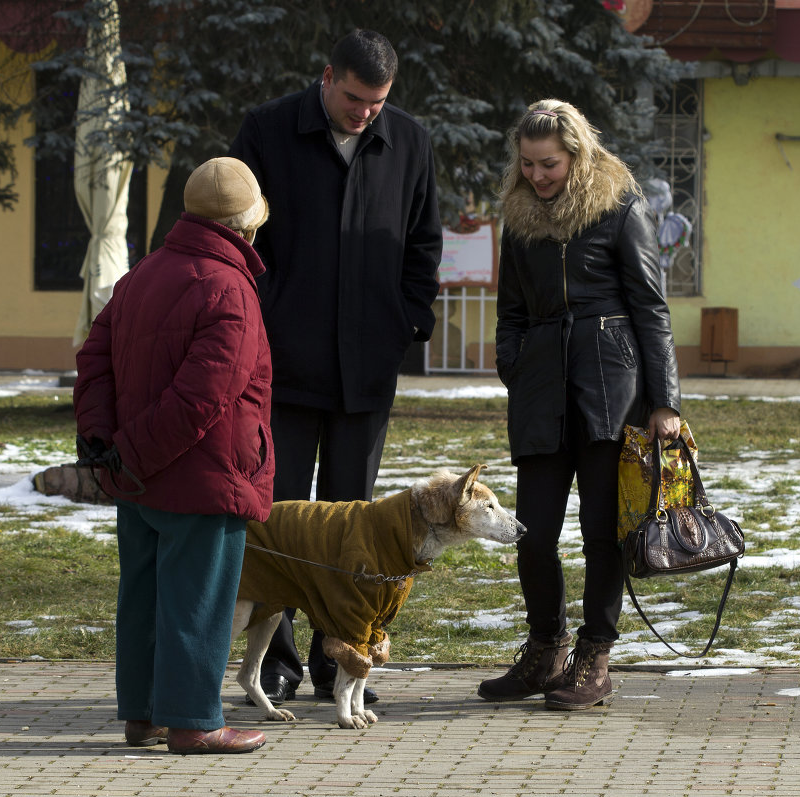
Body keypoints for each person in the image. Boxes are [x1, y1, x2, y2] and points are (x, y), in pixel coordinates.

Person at [227, 28, 442, 707]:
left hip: (366, 369)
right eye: (354, 99)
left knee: (357, 528)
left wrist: (406, 324)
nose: (364, 114)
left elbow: (423, 244)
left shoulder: (409, 142)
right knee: (281, 522)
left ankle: (338, 663)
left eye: (377, 103)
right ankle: (278, 664)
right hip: (281, 368)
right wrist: (255, 324)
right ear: (327, 77)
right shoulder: (266, 131)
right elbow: (238, 236)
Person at [477, 99, 681, 711]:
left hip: (609, 390)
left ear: (578, 154)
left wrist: (664, 401)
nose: (538, 176)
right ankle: (546, 651)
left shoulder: (621, 208)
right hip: (540, 390)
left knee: (602, 533)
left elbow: (651, 307)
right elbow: (510, 309)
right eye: (529, 164)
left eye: (550, 164)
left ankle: (595, 656)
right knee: (532, 536)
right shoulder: (517, 217)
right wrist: (512, 362)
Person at [74, 157, 275, 755]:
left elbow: (93, 362)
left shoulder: (141, 276)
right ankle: (193, 721)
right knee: (198, 600)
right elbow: (202, 398)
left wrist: (106, 447)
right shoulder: (230, 287)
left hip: (135, 473)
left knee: (143, 595)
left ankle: (143, 715)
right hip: (200, 473)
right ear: (247, 224)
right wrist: (130, 453)